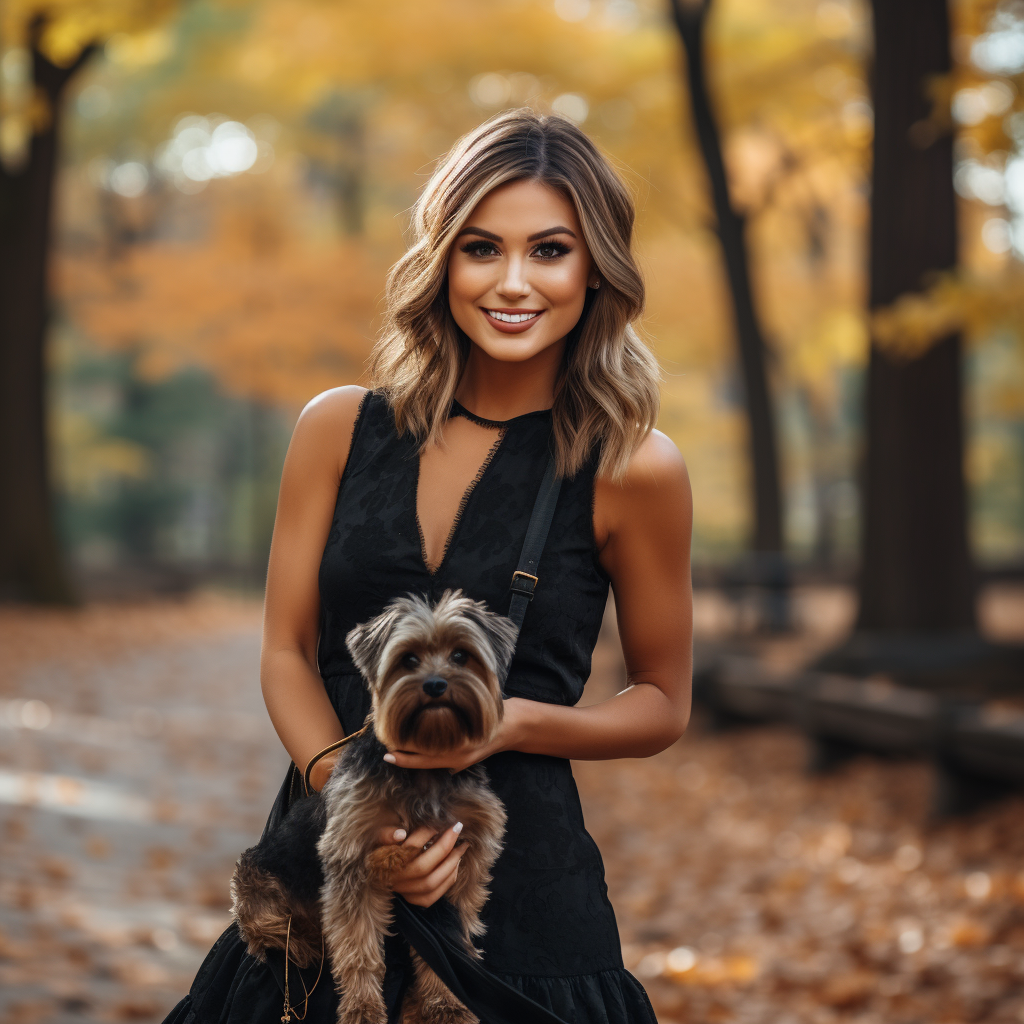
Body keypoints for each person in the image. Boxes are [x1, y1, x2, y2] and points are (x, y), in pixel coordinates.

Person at [163, 108, 692, 1024]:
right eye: (483, 248)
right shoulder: (337, 427)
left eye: (551, 250)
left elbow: (662, 702)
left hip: (521, 900)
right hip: (332, 884)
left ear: (595, 267)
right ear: (442, 260)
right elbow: (288, 649)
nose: (514, 282)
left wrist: (519, 722)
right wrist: (353, 799)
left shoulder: (634, 467)